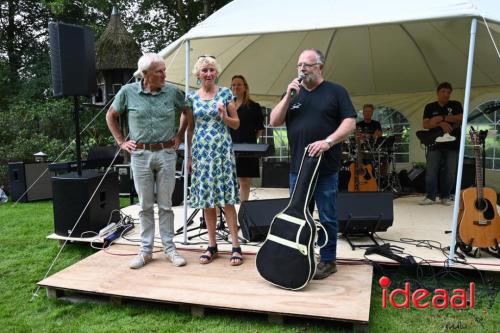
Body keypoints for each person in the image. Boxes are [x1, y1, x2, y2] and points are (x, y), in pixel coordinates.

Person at [270, 49, 357, 279]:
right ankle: (301, 254)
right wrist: (288, 97)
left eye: (307, 65)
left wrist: (328, 141)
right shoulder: (293, 93)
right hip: (298, 169)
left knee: (327, 215)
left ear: (319, 67)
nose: (301, 69)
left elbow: (350, 123)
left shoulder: (336, 92)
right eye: (299, 65)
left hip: (325, 168)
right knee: (298, 216)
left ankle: (328, 261)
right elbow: (274, 121)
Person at [106, 53, 188, 269]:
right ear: (146, 74)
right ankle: (146, 251)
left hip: (166, 154)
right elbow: (110, 115)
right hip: (140, 155)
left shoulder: (172, 93)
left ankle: (170, 249)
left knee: (166, 205)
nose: (164, 74)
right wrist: (121, 141)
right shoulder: (128, 92)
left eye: (164, 70)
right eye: (159, 71)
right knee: (144, 205)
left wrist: (180, 136)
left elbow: (188, 113)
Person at [185, 55, 243, 266]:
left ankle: (236, 246)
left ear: (216, 72)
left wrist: (224, 117)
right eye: (204, 70)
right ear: (198, 74)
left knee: (227, 200)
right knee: (207, 200)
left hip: (222, 151)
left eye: (211, 70)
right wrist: (190, 156)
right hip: (201, 152)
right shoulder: (191, 98)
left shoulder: (226, 94)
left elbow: (236, 124)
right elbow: (191, 128)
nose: (208, 73)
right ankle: (212, 246)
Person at [420, 82, 463, 206]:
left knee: (450, 172)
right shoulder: (430, 107)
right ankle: (430, 196)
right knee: (431, 171)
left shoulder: (456, 104)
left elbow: (460, 118)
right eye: (443, 92)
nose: (446, 94)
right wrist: (441, 124)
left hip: (452, 144)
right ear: (438, 93)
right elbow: (426, 124)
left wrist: (441, 118)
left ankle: (445, 196)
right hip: (434, 143)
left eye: (448, 92)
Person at [229, 75, 265, 202]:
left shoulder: (254, 106)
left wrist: (249, 142)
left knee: (244, 181)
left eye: (239, 84)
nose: (236, 87)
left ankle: (243, 210)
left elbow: (259, 129)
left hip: (247, 148)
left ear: (245, 87)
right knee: (228, 180)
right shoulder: (226, 106)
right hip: (228, 147)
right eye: (233, 84)